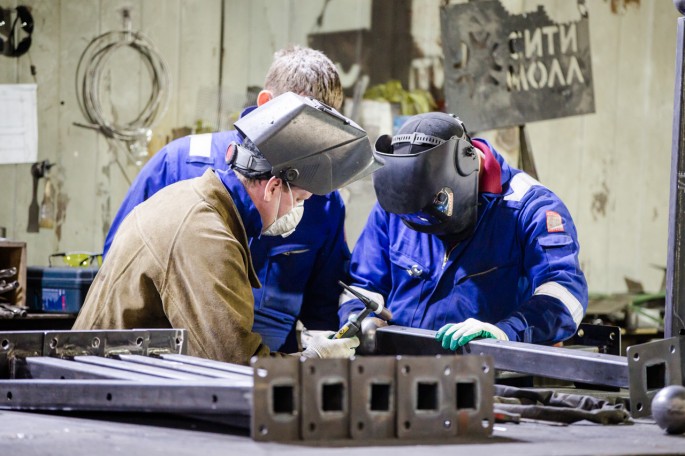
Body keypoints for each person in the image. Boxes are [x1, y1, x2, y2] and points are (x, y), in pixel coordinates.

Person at [74, 92, 381, 364]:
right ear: (274, 187)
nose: (298, 210)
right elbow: (234, 366)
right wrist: (311, 361)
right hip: (104, 394)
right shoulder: (206, 237)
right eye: (299, 199)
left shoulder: (196, 201)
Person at [103, 46, 348, 352]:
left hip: (265, 368)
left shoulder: (323, 203)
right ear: (265, 104)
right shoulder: (178, 165)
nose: (308, 149)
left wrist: (319, 358)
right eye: (300, 129)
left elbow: (321, 312)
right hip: (169, 362)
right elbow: (119, 270)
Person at [338, 112, 588, 350]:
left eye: (434, 205)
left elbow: (565, 295)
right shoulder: (399, 201)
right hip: (402, 372)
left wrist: (506, 333)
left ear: (466, 167)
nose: (420, 219)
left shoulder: (531, 209)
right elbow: (364, 283)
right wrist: (357, 321)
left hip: (491, 378)